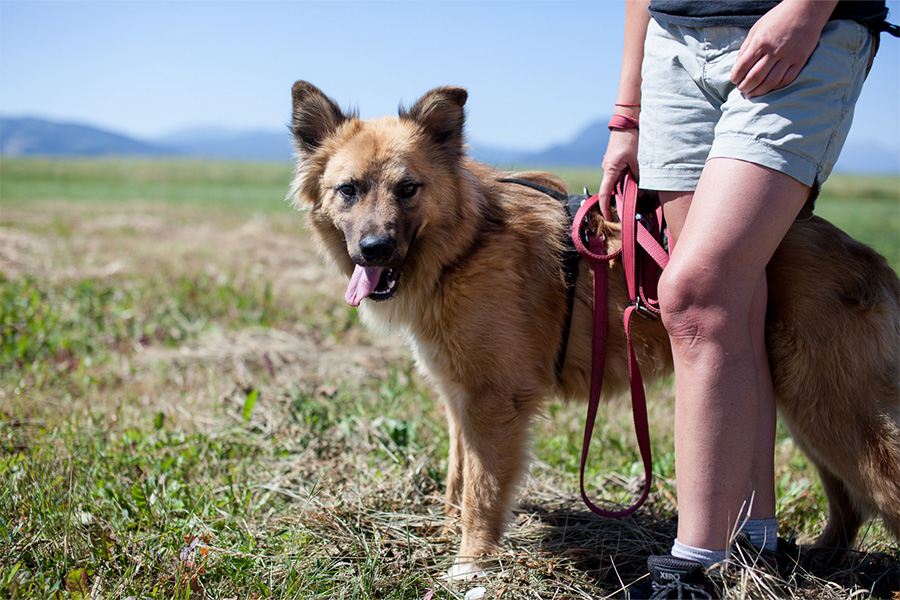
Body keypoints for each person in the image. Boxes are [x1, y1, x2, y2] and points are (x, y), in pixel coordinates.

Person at [599, 1, 898, 597]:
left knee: (692, 294)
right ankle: (750, 548)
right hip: (673, 42)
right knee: (734, 307)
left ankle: (696, 568)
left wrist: (807, 10)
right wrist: (627, 114)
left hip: (797, 30)